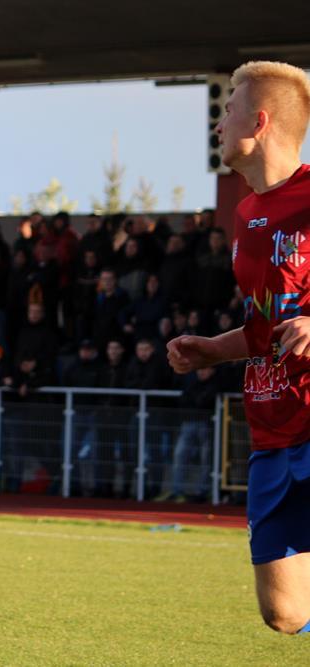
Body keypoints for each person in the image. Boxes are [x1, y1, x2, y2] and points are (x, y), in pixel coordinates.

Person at [167, 60, 310, 634]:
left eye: (227, 111)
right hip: (272, 429)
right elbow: (264, 328)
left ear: (259, 121)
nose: (218, 124)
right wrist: (211, 350)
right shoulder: (247, 211)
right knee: (285, 613)